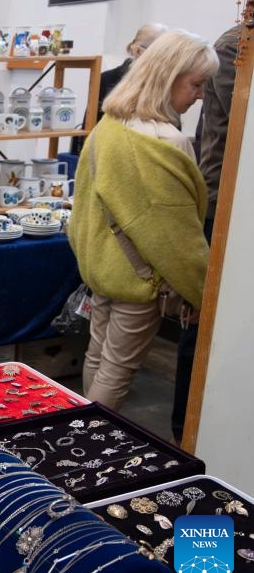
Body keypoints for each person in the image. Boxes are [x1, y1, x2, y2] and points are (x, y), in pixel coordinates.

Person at [68, 29, 217, 412]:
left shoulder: (109, 127)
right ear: (169, 77)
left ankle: (79, 433)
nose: (200, 95)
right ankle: (89, 448)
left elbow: (83, 201)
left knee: (97, 357)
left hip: (103, 269)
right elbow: (176, 238)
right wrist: (202, 291)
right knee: (116, 371)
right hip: (141, 279)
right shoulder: (167, 142)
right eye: (197, 84)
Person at [172, 23, 240, 441]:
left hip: (228, 199)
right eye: (194, 85)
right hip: (223, 203)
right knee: (203, 320)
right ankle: (187, 432)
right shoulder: (237, 45)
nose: (197, 93)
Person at [71, 22, 168, 154]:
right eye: (161, 53)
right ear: (138, 51)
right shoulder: (107, 80)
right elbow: (90, 130)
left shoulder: (166, 84)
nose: (166, 60)